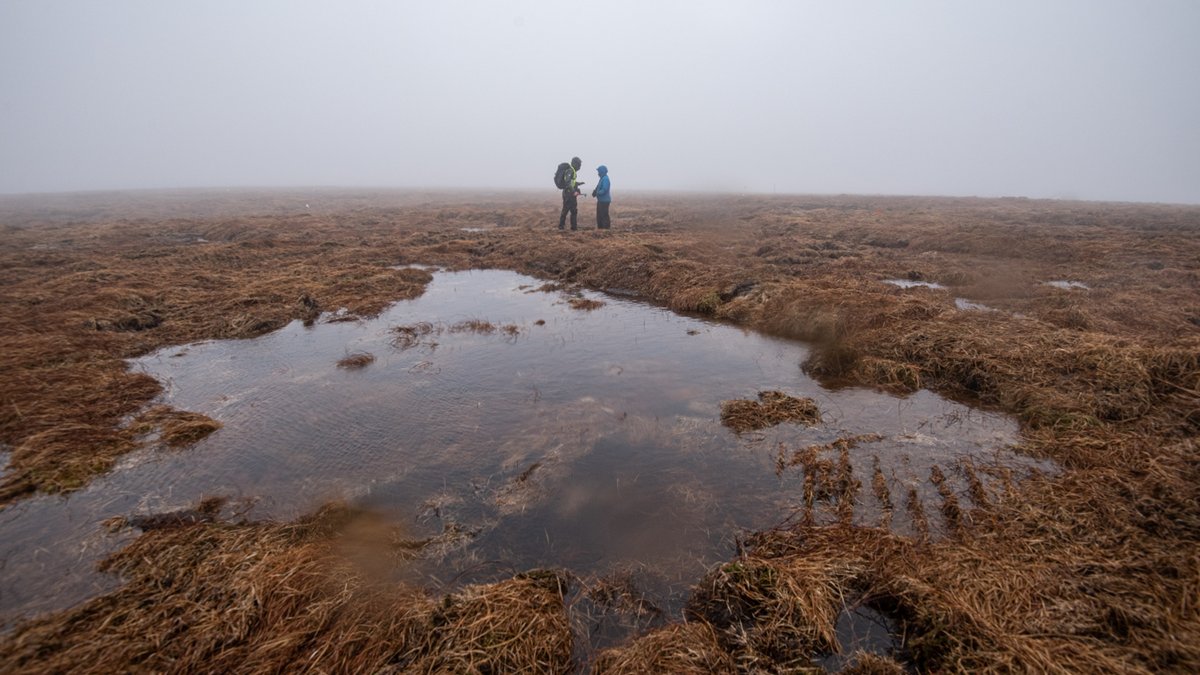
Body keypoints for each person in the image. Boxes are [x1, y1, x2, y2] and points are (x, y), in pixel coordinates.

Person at [558, 156, 583, 231]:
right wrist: (574, 191)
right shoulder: (570, 170)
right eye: (579, 165)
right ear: (574, 164)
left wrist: (578, 184)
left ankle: (574, 227)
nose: (579, 167)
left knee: (573, 210)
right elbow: (568, 182)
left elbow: (572, 182)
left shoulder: (573, 171)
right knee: (566, 210)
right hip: (569, 194)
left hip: (571, 194)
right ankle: (561, 226)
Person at [591, 165, 612, 229]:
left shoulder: (605, 179)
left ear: (602, 171)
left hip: (604, 201)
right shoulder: (602, 178)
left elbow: (604, 189)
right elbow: (598, 187)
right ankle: (600, 229)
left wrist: (597, 193)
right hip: (601, 201)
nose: (598, 173)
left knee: (604, 215)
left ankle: (606, 229)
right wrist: (595, 192)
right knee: (599, 216)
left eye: (599, 171)